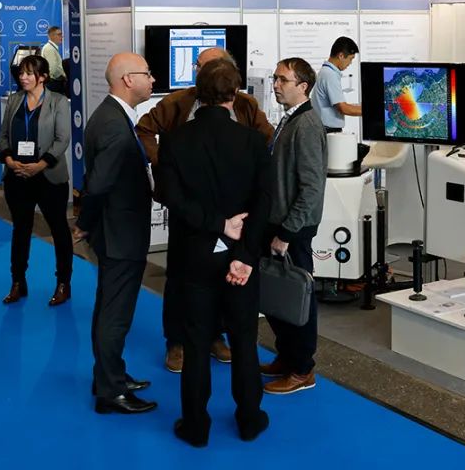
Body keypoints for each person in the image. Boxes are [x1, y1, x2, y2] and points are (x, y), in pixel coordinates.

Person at [155, 59, 272, 447]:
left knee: (195, 342)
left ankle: (195, 426)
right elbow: (264, 203)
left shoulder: (175, 141)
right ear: (235, 94)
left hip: (193, 257)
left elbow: (171, 198)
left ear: (198, 93)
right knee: (244, 340)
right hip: (240, 258)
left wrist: (216, 223)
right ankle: (250, 419)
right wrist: (246, 255)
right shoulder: (253, 142)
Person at [136, 46, 273, 373]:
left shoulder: (246, 105)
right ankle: (177, 342)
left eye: (205, 66)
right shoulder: (178, 102)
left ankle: (214, 336)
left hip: (233, 217)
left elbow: (265, 138)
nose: (200, 71)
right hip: (189, 214)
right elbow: (144, 129)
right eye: (198, 66)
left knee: (227, 277)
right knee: (179, 277)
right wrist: (163, 165)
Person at [77, 53, 157, 414]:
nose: (153, 80)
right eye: (147, 74)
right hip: (119, 234)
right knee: (115, 314)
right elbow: (98, 185)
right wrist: (84, 223)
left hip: (118, 230)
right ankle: (111, 391)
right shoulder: (113, 123)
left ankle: (111, 375)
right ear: (128, 79)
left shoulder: (114, 116)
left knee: (110, 308)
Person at [260, 57, 328, 395]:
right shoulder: (290, 119)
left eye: (282, 80)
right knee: (278, 295)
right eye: (275, 78)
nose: (275, 85)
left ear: (303, 86)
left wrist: (287, 232)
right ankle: (287, 357)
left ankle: (302, 369)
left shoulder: (307, 125)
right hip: (279, 222)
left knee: (297, 296)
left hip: (293, 229)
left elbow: (312, 187)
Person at [0, 55, 74, 306]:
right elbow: (3, 135)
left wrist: (40, 165)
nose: (23, 77)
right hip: (17, 176)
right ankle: (17, 281)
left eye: (29, 73)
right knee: (21, 229)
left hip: (49, 177)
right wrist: (10, 161)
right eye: (21, 73)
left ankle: (63, 283)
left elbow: (62, 139)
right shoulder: (14, 100)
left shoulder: (58, 101)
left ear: (43, 77)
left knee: (59, 229)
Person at [310, 36, 361, 133]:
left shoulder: (326, 72)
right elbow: (343, 108)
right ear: (341, 56)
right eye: (350, 59)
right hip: (328, 130)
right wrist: (371, 112)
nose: (350, 63)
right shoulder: (330, 74)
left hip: (324, 129)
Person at [40, 26, 67, 95]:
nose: (62, 37)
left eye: (61, 34)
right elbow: (53, 69)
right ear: (52, 36)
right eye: (59, 34)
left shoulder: (51, 48)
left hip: (54, 83)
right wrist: (63, 76)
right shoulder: (49, 49)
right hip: (53, 84)